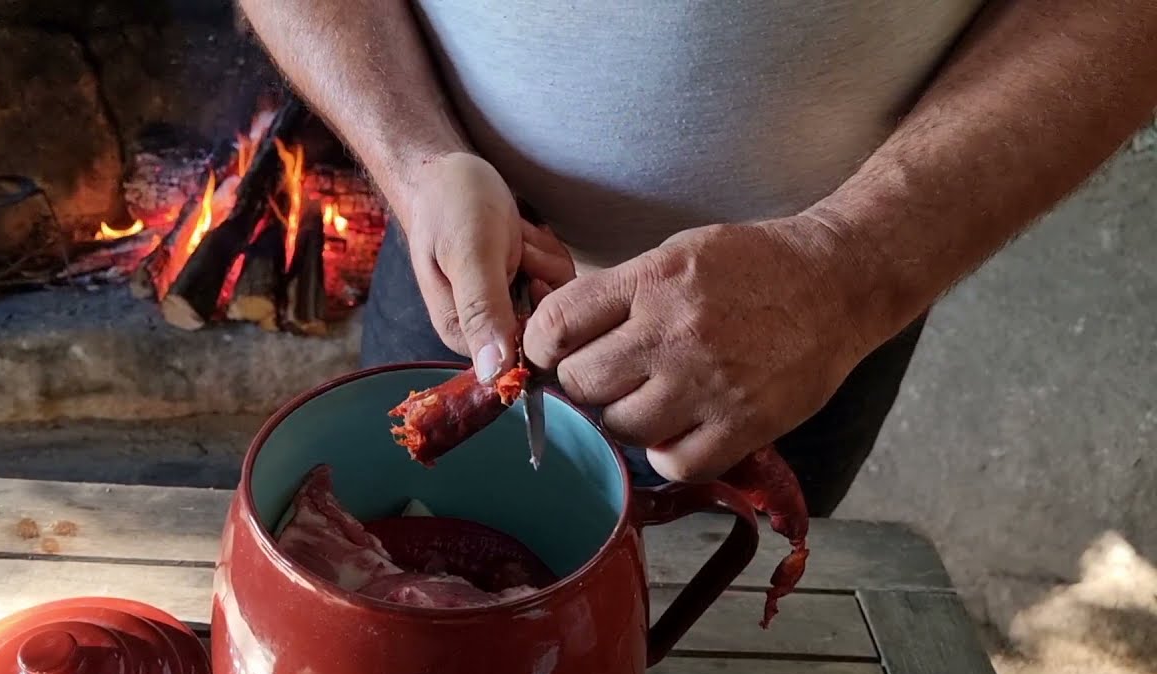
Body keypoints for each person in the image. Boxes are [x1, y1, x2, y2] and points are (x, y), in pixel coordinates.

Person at [239, 1, 1157, 517]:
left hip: (801, 318)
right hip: (461, 256)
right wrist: (408, 157)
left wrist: (848, 268)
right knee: (393, 560)